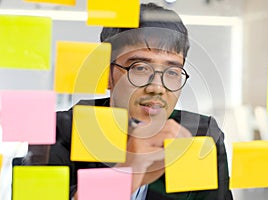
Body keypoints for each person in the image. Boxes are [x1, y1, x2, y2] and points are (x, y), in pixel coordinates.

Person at [21, 3, 233, 200]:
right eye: (140, 68)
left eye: (173, 72)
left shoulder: (201, 136)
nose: (157, 87)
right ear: (106, 73)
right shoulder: (55, 130)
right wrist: (125, 173)